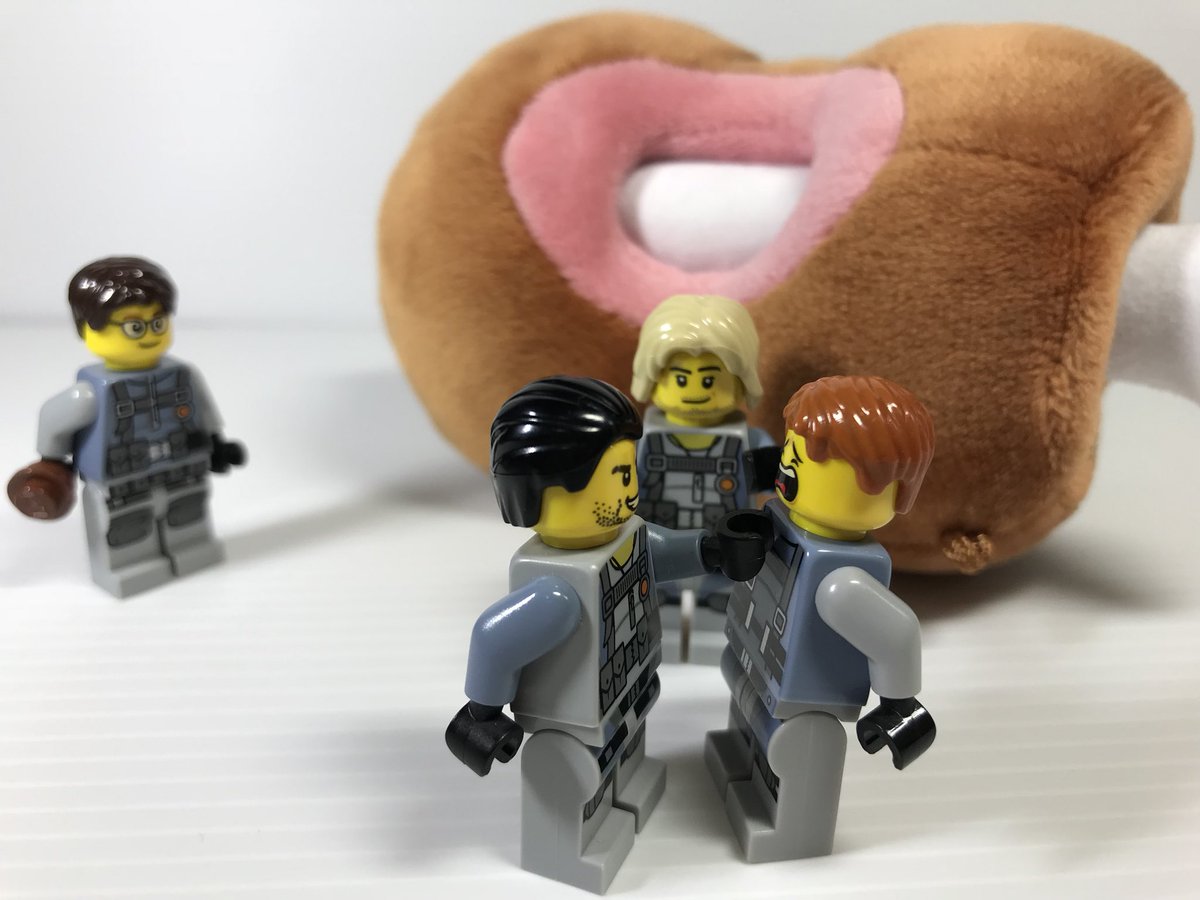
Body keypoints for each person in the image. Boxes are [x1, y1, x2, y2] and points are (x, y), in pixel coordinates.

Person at [7, 256, 245, 597]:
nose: (149, 334)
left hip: (183, 467)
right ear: (86, 328)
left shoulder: (183, 376)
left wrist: (216, 444)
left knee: (187, 511)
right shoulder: (88, 394)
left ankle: (190, 547)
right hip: (120, 480)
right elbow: (53, 420)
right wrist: (51, 463)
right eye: (134, 326)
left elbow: (204, 413)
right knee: (126, 527)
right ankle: (128, 566)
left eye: (158, 322)